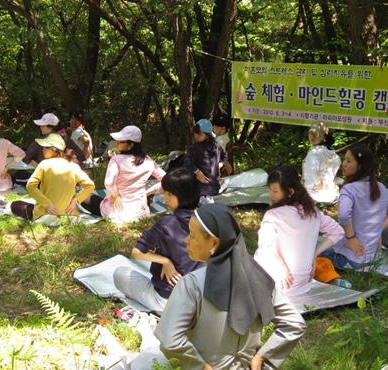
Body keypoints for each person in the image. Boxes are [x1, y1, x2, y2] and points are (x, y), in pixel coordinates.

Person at [154, 203, 306, 369]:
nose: (186, 240)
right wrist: (263, 357)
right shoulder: (261, 278)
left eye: (192, 235)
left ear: (214, 243)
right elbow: (295, 324)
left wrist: (200, 366)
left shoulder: (192, 284)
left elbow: (169, 339)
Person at [112, 168, 203, 315]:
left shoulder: (167, 224)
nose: (164, 198)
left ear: (183, 195)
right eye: (164, 192)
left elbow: (137, 253)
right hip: (201, 301)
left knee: (120, 273)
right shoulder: (209, 220)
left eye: (169, 194)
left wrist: (165, 261)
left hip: (168, 303)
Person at [253, 165, 344, 303]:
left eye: (275, 191)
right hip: (302, 286)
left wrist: (281, 268)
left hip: (277, 284)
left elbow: (266, 247)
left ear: (290, 192)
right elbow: (338, 232)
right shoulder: (312, 212)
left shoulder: (273, 215)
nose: (271, 195)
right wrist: (314, 253)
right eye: (270, 190)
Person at [80, 126, 165, 224]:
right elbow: (166, 179)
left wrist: (115, 195)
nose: (117, 143)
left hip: (118, 213)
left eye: (121, 141)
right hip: (141, 212)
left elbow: (108, 182)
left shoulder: (116, 160)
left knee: (84, 196)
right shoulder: (148, 160)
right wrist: (148, 192)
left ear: (131, 144)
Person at [322, 145, 388, 268]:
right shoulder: (382, 188)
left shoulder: (349, 189)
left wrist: (351, 238)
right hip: (373, 258)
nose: (344, 164)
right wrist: (378, 232)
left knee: (314, 251)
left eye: (349, 161)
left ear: (360, 166)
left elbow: (343, 215)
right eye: (344, 160)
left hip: (349, 259)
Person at [10, 134, 94, 220]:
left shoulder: (44, 164)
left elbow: (30, 185)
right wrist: (75, 201)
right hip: (69, 214)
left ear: (54, 150)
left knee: (15, 205)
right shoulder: (73, 166)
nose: (42, 149)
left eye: (46, 147)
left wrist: (47, 204)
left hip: (44, 214)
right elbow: (90, 185)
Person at [182, 119, 232, 200]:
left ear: (207, 135)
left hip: (200, 190)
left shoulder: (196, 148)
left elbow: (187, 163)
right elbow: (224, 156)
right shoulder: (216, 146)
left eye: (199, 134)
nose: (196, 135)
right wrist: (219, 165)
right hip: (214, 189)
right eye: (195, 133)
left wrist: (218, 166)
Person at [21, 113, 86, 166]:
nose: (40, 127)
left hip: (45, 179)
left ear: (50, 127)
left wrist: (39, 167)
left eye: (42, 125)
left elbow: (25, 159)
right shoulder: (64, 139)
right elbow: (81, 157)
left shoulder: (37, 142)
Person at [302, 121, 341, 203]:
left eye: (316, 134)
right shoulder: (334, 155)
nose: (312, 136)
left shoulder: (314, 153)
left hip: (312, 193)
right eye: (311, 133)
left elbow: (313, 170)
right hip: (330, 194)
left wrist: (318, 183)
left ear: (324, 137)